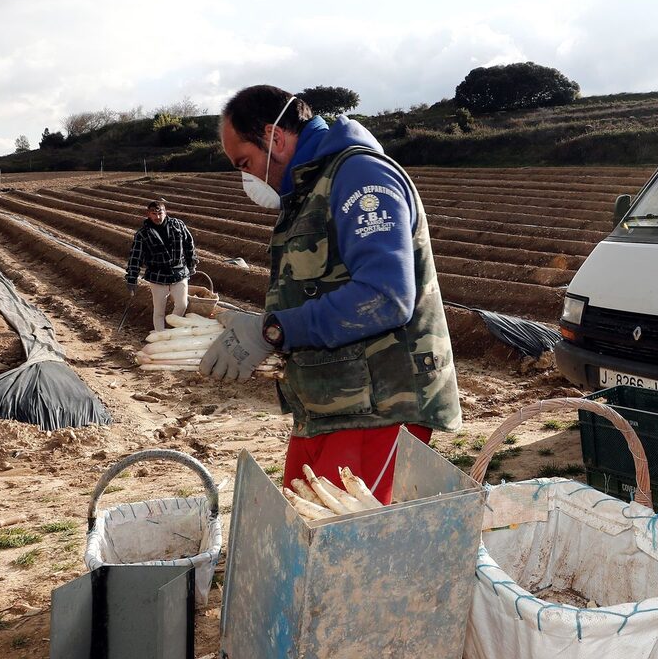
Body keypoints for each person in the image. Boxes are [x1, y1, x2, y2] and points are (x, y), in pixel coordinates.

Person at [201, 85, 462, 504]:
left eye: (245, 163)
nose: (247, 178)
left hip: (379, 408)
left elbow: (386, 297)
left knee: (348, 538)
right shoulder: (310, 189)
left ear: (275, 137)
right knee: (302, 523)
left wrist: (273, 332)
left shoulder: (361, 177)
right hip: (331, 406)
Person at [124, 199, 196, 332]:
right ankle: (160, 335)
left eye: (160, 213)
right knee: (159, 311)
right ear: (148, 214)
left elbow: (189, 245)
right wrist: (132, 278)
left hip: (179, 272)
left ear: (165, 212)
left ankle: (171, 332)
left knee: (182, 305)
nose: (157, 217)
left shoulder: (178, 225)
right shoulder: (143, 234)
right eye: (154, 214)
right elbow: (135, 257)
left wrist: (191, 263)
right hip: (158, 276)